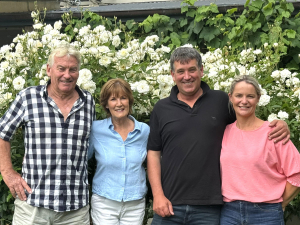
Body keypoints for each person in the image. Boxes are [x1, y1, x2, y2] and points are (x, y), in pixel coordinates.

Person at [147, 47, 290, 225]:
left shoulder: (221, 101)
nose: (187, 76)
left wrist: (280, 123)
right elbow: (153, 153)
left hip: (210, 208)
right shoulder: (161, 108)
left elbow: (246, 123)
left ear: (201, 70)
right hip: (169, 204)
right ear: (172, 74)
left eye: (192, 69)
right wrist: (158, 195)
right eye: (181, 71)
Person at [0, 44, 95, 225]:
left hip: (74, 210)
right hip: (33, 207)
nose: (67, 75)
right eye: (61, 68)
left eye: (72, 69)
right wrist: (7, 172)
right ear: (49, 70)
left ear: (78, 72)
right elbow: (2, 133)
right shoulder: (28, 98)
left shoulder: (87, 102)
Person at [220, 75, 300, 225]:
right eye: (239, 95)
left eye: (250, 96)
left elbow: (297, 174)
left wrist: (280, 204)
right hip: (229, 212)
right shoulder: (224, 132)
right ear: (231, 97)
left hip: (266, 214)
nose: (244, 101)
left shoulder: (274, 132)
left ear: (258, 98)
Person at [88, 78, 149, 225]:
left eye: (123, 98)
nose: (119, 103)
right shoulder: (96, 129)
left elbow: (154, 163)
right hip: (104, 202)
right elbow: (81, 160)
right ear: (106, 104)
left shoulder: (144, 131)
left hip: (135, 203)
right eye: (113, 99)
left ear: (129, 101)